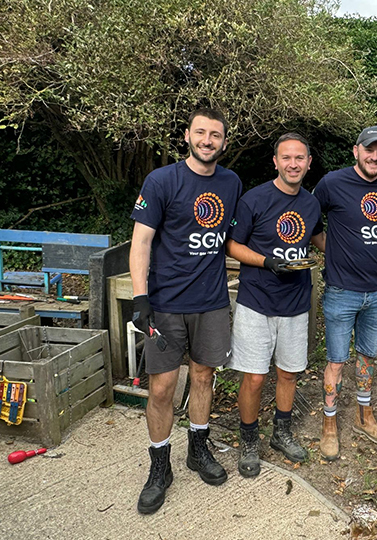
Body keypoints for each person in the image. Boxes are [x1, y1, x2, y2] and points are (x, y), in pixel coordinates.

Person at [129, 108, 242, 514]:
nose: (208, 140)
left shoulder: (231, 183)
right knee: (160, 388)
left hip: (211, 302)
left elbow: (227, 238)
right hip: (165, 303)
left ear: (224, 142)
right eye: (201, 133)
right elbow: (141, 242)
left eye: (215, 135)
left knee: (203, 376)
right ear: (187, 136)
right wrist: (141, 298)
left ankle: (198, 448)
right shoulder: (162, 181)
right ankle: (159, 466)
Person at [225, 133, 323, 478]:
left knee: (288, 372)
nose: (293, 164)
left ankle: (281, 431)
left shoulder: (311, 204)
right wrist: (268, 262)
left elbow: (318, 239)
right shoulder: (254, 199)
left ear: (308, 163)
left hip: (296, 302)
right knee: (254, 377)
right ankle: (249, 438)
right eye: (287, 158)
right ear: (276, 162)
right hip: (257, 301)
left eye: (300, 158)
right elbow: (233, 247)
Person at [312, 126, 377, 460]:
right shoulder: (332, 183)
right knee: (336, 360)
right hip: (341, 291)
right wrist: (330, 250)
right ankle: (329, 424)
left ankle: (365, 416)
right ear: (356, 151)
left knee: (366, 357)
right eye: (369, 150)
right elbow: (308, 218)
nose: (375, 156)